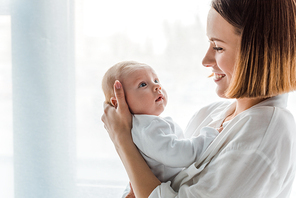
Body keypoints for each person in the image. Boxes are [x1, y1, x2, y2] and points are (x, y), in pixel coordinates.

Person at [101, 0, 296, 197]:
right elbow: (159, 177)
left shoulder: (266, 133)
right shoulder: (210, 113)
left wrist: (122, 140)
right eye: (210, 44)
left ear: (257, 52)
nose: (205, 60)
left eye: (218, 47)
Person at [102, 61, 219, 183]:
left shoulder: (138, 127)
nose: (157, 86)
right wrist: (209, 135)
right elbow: (180, 155)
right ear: (119, 103)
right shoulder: (149, 127)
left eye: (156, 80)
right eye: (143, 84)